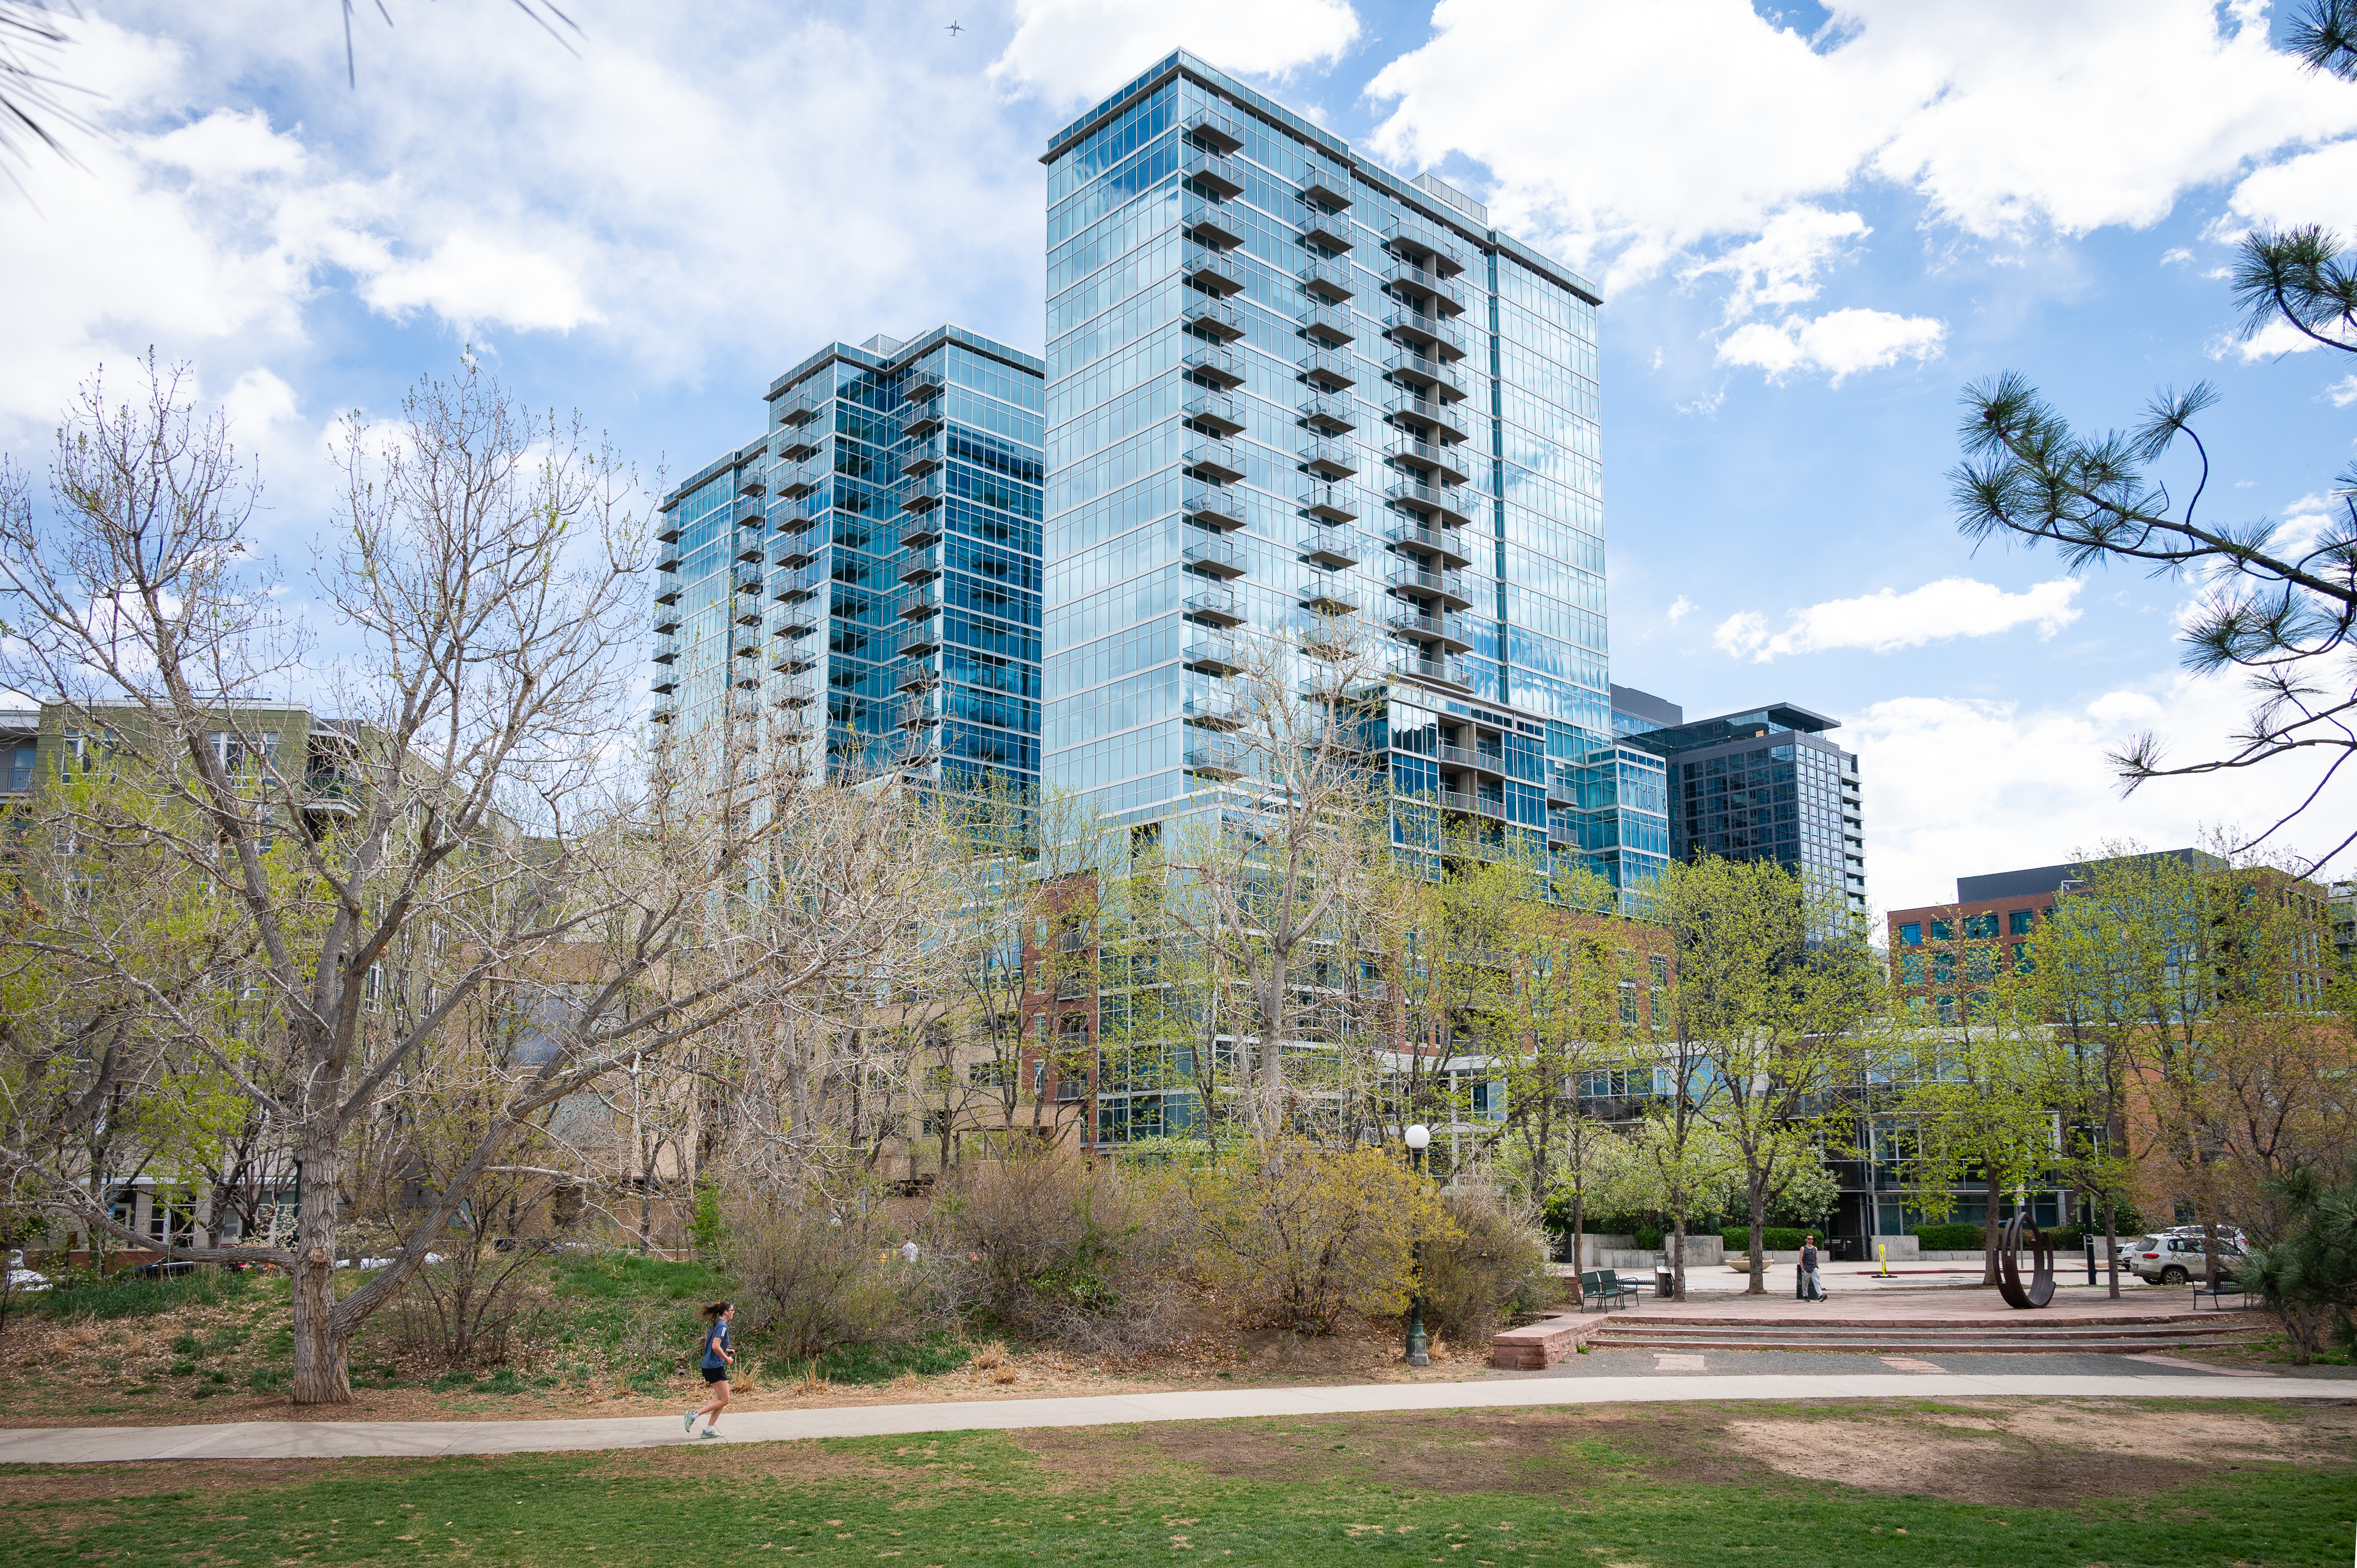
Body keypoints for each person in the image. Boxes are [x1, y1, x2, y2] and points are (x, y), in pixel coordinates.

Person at [685, 1301, 734, 1438]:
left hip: (709, 1365)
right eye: (732, 1310)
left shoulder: (716, 1324)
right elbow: (715, 1346)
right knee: (725, 1399)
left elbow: (710, 1344)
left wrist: (727, 1350)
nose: (733, 1312)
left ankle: (708, 1430)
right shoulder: (723, 1326)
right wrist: (727, 1359)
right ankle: (693, 1416)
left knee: (723, 1399)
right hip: (714, 1366)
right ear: (726, 1312)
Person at [1800, 1235, 1825, 1302]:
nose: (1810, 1240)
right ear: (1806, 1240)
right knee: (1805, 1283)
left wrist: (1817, 1266)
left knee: (1816, 1281)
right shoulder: (1803, 1248)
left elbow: (1816, 1258)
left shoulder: (1815, 1249)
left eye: (1812, 1239)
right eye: (1809, 1239)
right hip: (1806, 1268)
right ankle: (1805, 1296)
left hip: (1814, 1268)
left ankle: (1820, 1295)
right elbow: (1800, 1259)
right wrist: (1802, 1268)